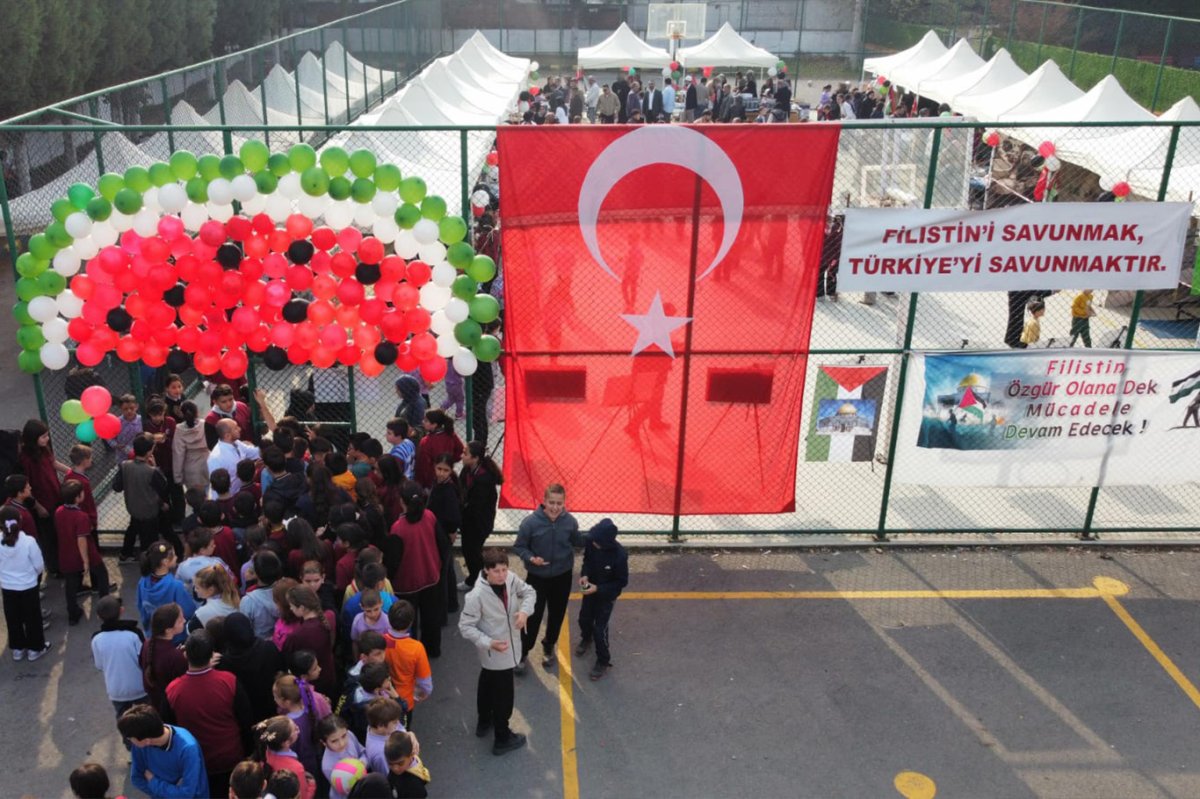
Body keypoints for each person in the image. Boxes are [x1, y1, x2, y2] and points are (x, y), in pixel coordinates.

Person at [459, 547, 535, 755]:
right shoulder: (476, 596)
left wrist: (524, 612)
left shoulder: (510, 579)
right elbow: (465, 627)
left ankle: (484, 721)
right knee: (504, 697)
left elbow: (529, 592)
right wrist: (489, 642)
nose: (502, 575)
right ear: (486, 570)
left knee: (486, 682)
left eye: (504, 569)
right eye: (496, 571)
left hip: (501, 650)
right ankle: (502, 737)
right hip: (497, 651)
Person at [164, 631, 252, 798]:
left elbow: (170, 729)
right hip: (230, 757)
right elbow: (245, 719)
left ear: (185, 654)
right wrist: (248, 750)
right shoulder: (228, 681)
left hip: (196, 761)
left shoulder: (173, 690)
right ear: (212, 654)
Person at [512, 483, 582, 672]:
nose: (555, 507)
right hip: (537, 577)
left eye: (559, 503)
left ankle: (549, 645)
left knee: (557, 614)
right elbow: (519, 547)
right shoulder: (530, 523)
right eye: (551, 502)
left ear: (564, 503)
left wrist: (598, 538)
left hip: (562, 576)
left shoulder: (570, 522)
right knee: (532, 615)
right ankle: (523, 651)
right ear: (544, 501)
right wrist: (530, 558)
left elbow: (577, 541)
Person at [388, 483, 446, 657]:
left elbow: (393, 560)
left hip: (406, 582)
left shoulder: (398, 528)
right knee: (431, 617)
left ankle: (410, 654)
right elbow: (442, 544)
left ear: (402, 501)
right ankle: (433, 649)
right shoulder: (430, 516)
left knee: (407, 620)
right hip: (431, 576)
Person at [574, 519, 629, 681]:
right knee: (584, 618)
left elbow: (621, 582)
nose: (594, 544)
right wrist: (585, 575)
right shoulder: (592, 542)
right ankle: (586, 637)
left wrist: (598, 588)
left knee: (600, 630)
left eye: (597, 543)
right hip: (590, 589)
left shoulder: (620, 555)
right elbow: (587, 561)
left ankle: (603, 660)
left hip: (606, 596)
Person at [90, 595, 147, 749]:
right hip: (139, 686)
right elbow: (144, 659)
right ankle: (150, 743)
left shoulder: (97, 639)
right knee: (146, 716)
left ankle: (131, 747)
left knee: (124, 720)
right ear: (121, 611)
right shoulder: (133, 634)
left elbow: (99, 665)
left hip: (116, 689)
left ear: (98, 617)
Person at [118, 704, 210, 798]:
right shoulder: (140, 744)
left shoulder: (188, 749)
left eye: (130, 738)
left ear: (147, 741)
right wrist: (171, 791)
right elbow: (137, 779)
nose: (129, 741)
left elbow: (186, 794)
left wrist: (153, 781)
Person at [18, 419, 68, 575]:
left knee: (58, 533)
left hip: (55, 496)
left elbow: (54, 463)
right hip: (43, 502)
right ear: (33, 438)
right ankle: (54, 567)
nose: (47, 439)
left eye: (47, 435)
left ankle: (60, 563)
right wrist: (38, 506)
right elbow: (26, 486)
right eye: (43, 436)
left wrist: (70, 472)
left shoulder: (44, 449)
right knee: (48, 536)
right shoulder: (26, 459)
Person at [55, 480, 109, 625]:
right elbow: (82, 539)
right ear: (78, 498)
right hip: (87, 552)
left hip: (67, 552)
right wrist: (85, 561)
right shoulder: (81, 516)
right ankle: (106, 606)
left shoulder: (59, 511)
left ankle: (73, 613)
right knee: (102, 574)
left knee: (71, 584)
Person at [0, 507, 50, 661]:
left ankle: (17, 649)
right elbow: (39, 565)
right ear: (20, 521)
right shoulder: (28, 541)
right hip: (28, 585)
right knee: (32, 618)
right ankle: (35, 649)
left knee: (13, 618)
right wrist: (33, 575)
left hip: (7, 587)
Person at [217, 612, 283, 724]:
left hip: (247, 714)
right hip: (272, 705)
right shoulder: (268, 648)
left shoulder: (224, 662)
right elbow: (281, 670)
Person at [115, 435, 170, 562]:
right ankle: (148, 560)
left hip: (132, 508)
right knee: (149, 539)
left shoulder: (124, 465)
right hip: (149, 512)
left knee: (132, 529)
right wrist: (156, 467)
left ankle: (125, 553)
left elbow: (117, 487)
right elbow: (163, 486)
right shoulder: (151, 471)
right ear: (149, 452)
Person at [458, 441, 501, 591]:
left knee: (472, 552)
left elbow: (475, 506)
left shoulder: (484, 479)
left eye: (465, 453)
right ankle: (481, 578)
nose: (461, 456)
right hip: (469, 522)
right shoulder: (468, 470)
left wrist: (462, 507)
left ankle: (477, 579)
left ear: (475, 458)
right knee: (470, 551)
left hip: (478, 524)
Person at [272, 673, 331, 784]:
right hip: (315, 759)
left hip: (302, 765)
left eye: (276, 697)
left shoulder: (289, 724)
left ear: (286, 702)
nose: (274, 699)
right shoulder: (310, 709)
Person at [383, 601, 432, 728]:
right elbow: (424, 681)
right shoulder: (416, 648)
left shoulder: (381, 641)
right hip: (405, 699)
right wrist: (423, 693)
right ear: (411, 622)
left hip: (383, 696)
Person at [282, 585, 337, 698]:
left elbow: (287, 658)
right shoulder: (327, 618)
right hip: (328, 674)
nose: (291, 608)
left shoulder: (297, 636)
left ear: (302, 608)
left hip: (313, 684)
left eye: (292, 605)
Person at [137, 541, 195, 636]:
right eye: (174, 555)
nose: (176, 557)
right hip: (174, 636)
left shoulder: (143, 581)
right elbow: (188, 611)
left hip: (153, 632)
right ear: (165, 562)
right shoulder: (176, 585)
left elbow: (141, 606)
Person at [140, 603, 188, 713]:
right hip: (171, 706)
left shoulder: (147, 644)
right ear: (168, 630)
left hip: (155, 702)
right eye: (180, 620)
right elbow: (185, 683)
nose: (184, 621)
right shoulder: (175, 657)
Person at [253, 716, 316, 799]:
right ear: (286, 743)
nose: (298, 728)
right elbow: (303, 796)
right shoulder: (296, 768)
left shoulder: (265, 753)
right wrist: (312, 785)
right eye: (295, 729)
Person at [318, 714, 367, 799]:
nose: (342, 743)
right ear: (324, 743)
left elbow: (363, 752)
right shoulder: (328, 766)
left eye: (344, 736)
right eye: (334, 741)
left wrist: (362, 762)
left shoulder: (350, 735)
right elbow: (343, 790)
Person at [208, 419, 261, 495]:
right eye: (236, 428)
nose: (240, 429)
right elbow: (218, 487)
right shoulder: (216, 458)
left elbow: (253, 452)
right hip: (230, 498)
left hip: (242, 493)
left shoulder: (237, 443)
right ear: (227, 435)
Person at [415, 410, 463, 489]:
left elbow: (423, 466)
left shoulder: (426, 441)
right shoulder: (450, 434)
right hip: (448, 475)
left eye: (426, 421)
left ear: (434, 424)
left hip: (432, 480)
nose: (423, 422)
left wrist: (420, 483)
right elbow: (460, 451)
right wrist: (449, 462)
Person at [242, 550, 283, 638]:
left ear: (256, 573)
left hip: (261, 642)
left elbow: (245, 628)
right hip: (282, 638)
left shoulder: (248, 601)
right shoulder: (286, 590)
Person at [172, 400, 210, 496]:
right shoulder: (204, 424)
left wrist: (178, 477)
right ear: (197, 412)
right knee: (206, 495)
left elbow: (178, 454)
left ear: (182, 413)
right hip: (206, 465)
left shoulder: (179, 429)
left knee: (195, 498)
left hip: (190, 470)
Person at [189, 564, 239, 633]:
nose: (195, 590)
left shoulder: (202, 613)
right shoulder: (234, 598)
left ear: (210, 590)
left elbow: (190, 630)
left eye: (197, 587)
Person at [64, 444, 98, 542]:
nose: (91, 460)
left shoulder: (69, 475)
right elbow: (88, 503)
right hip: (86, 519)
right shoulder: (83, 482)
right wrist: (93, 520)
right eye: (90, 458)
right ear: (84, 461)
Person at [205, 384, 255, 449]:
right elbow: (212, 445)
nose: (228, 404)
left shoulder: (242, 406)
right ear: (215, 402)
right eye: (224, 402)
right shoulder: (211, 419)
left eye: (230, 399)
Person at [364, 697, 406, 773]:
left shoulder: (377, 724)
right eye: (394, 722)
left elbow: (401, 729)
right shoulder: (380, 754)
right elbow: (388, 775)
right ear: (380, 726)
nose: (398, 724)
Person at [385, 730, 430, 798]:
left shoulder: (414, 785)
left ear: (411, 755)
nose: (395, 768)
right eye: (390, 764)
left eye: (400, 763)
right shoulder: (402, 766)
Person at [113, 394, 144, 460]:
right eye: (125, 409)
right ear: (121, 408)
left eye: (131, 408)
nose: (129, 411)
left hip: (140, 455)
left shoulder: (141, 420)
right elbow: (109, 437)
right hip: (122, 456)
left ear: (137, 406)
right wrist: (115, 445)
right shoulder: (117, 422)